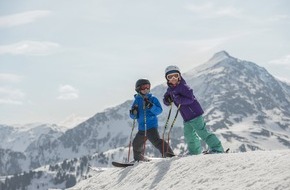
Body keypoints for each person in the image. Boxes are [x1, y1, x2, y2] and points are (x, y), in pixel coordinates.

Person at [163, 65, 224, 155]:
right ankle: (195, 152)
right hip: (186, 117)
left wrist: (178, 99)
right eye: (170, 77)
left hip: (195, 114)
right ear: (167, 79)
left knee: (202, 132)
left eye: (175, 76)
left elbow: (190, 98)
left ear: (179, 76)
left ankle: (217, 148)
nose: (173, 78)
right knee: (189, 136)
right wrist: (167, 100)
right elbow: (166, 99)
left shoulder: (184, 87)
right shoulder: (170, 89)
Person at [129, 78, 175, 161]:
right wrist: (133, 112)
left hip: (151, 126)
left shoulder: (152, 98)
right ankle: (138, 158)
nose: (146, 89)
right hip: (142, 128)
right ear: (138, 89)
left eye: (148, 87)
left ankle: (169, 154)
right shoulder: (136, 101)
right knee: (136, 144)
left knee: (156, 141)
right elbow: (133, 116)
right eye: (144, 87)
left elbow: (159, 111)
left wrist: (151, 106)